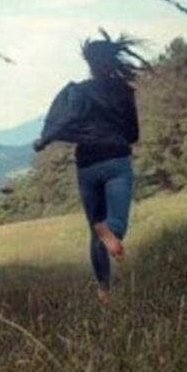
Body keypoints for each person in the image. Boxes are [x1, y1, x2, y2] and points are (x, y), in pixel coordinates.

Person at [33, 33, 139, 303]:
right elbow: (133, 133)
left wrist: (43, 140)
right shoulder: (124, 91)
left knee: (95, 231)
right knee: (115, 224)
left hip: (87, 164)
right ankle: (107, 231)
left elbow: (63, 121)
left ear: (89, 63)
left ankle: (104, 291)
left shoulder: (77, 91)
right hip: (116, 160)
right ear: (114, 60)